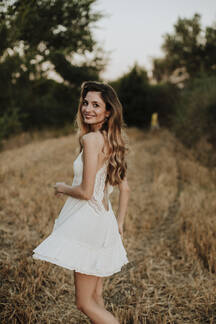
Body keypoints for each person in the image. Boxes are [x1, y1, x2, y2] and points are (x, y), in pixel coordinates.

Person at [32, 81, 130, 324]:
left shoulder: (91, 140)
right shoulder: (110, 139)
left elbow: (86, 192)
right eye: (85, 102)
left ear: (108, 111)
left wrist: (62, 188)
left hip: (88, 223)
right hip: (103, 222)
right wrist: (118, 223)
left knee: (84, 302)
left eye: (96, 105)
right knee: (96, 296)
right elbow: (125, 188)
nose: (88, 108)